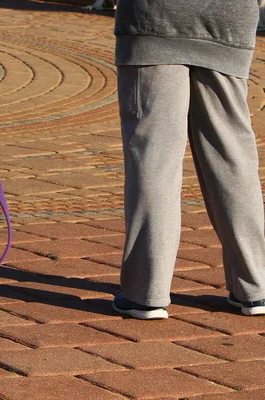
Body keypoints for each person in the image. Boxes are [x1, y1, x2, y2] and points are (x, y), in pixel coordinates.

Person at [112, 0, 265, 319]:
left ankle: (146, 293)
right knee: (232, 155)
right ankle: (256, 286)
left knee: (154, 154)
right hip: (228, 19)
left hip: (155, 18)